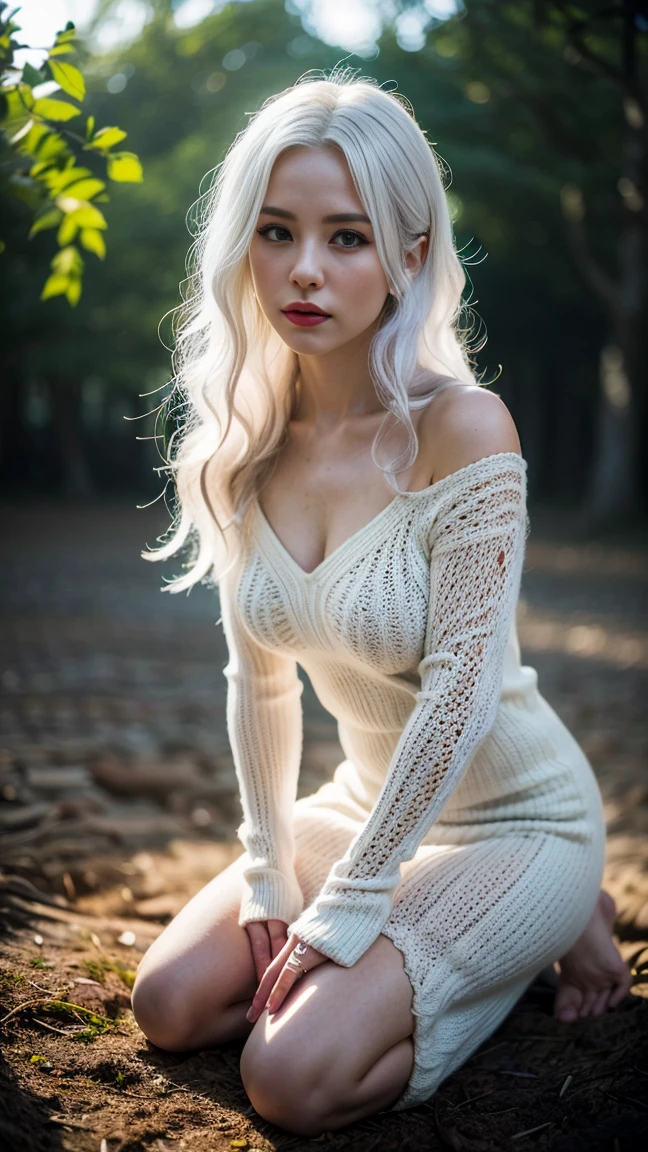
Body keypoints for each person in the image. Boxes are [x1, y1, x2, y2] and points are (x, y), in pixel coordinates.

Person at [130, 70, 633, 1136]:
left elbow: (462, 687)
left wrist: (355, 903)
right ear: (244, 243)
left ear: (409, 256)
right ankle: (467, 935)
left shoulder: (466, 429)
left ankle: (543, 926)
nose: (303, 270)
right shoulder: (239, 449)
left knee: (290, 1079)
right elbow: (257, 682)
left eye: (347, 238)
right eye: (277, 231)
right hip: (366, 806)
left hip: (517, 817)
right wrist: (271, 868)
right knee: (171, 1005)